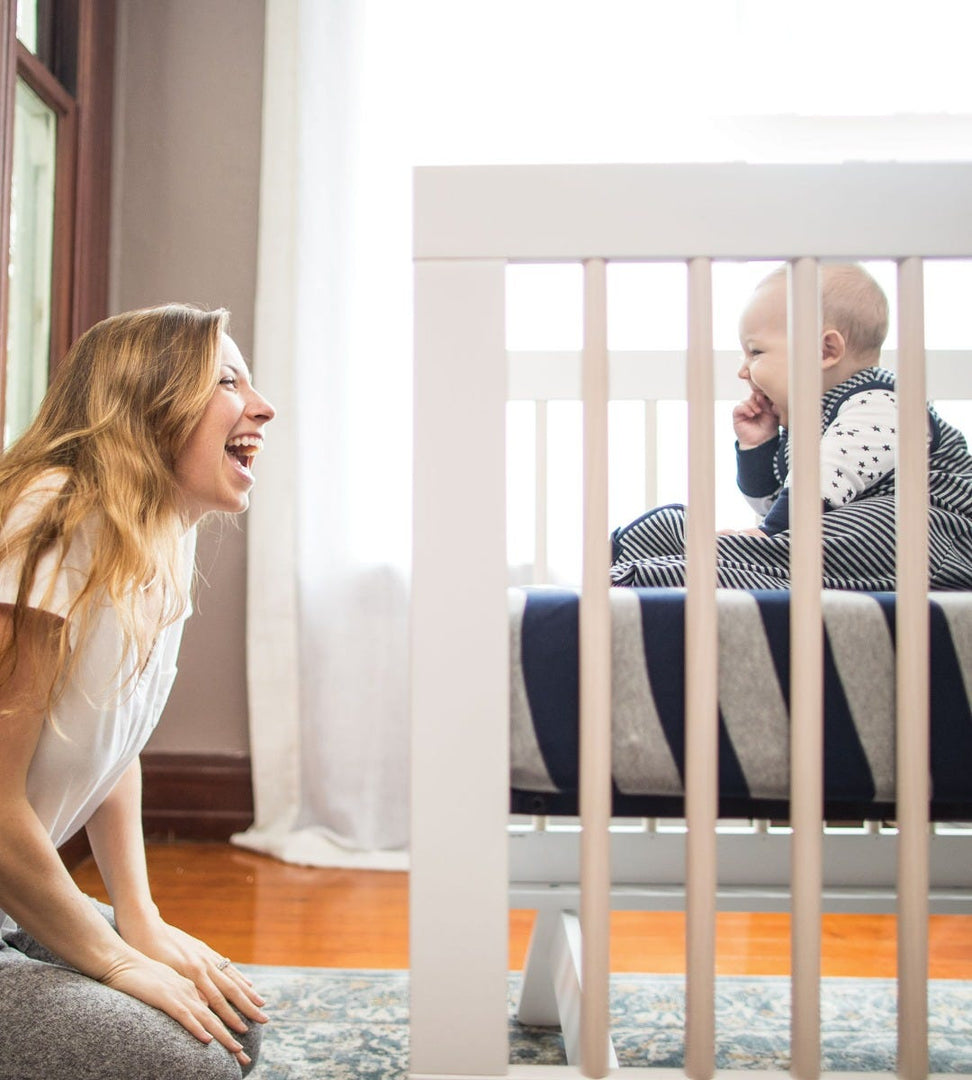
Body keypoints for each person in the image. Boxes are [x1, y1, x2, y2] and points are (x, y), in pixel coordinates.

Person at [0, 305, 275, 1079]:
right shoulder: (50, 513)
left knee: (231, 1029)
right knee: (192, 1061)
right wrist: (118, 966)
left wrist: (140, 920)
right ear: (146, 404)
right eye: (226, 380)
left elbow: (115, 740)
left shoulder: (158, 539)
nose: (262, 407)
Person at [610, 263, 972, 590]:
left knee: (886, 522)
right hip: (840, 550)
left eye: (756, 353)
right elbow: (775, 509)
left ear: (825, 350)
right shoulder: (808, 427)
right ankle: (660, 550)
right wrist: (759, 448)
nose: (743, 369)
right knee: (784, 550)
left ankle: (679, 566)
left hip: (937, 541)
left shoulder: (884, 402)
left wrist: (766, 536)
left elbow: (816, 487)